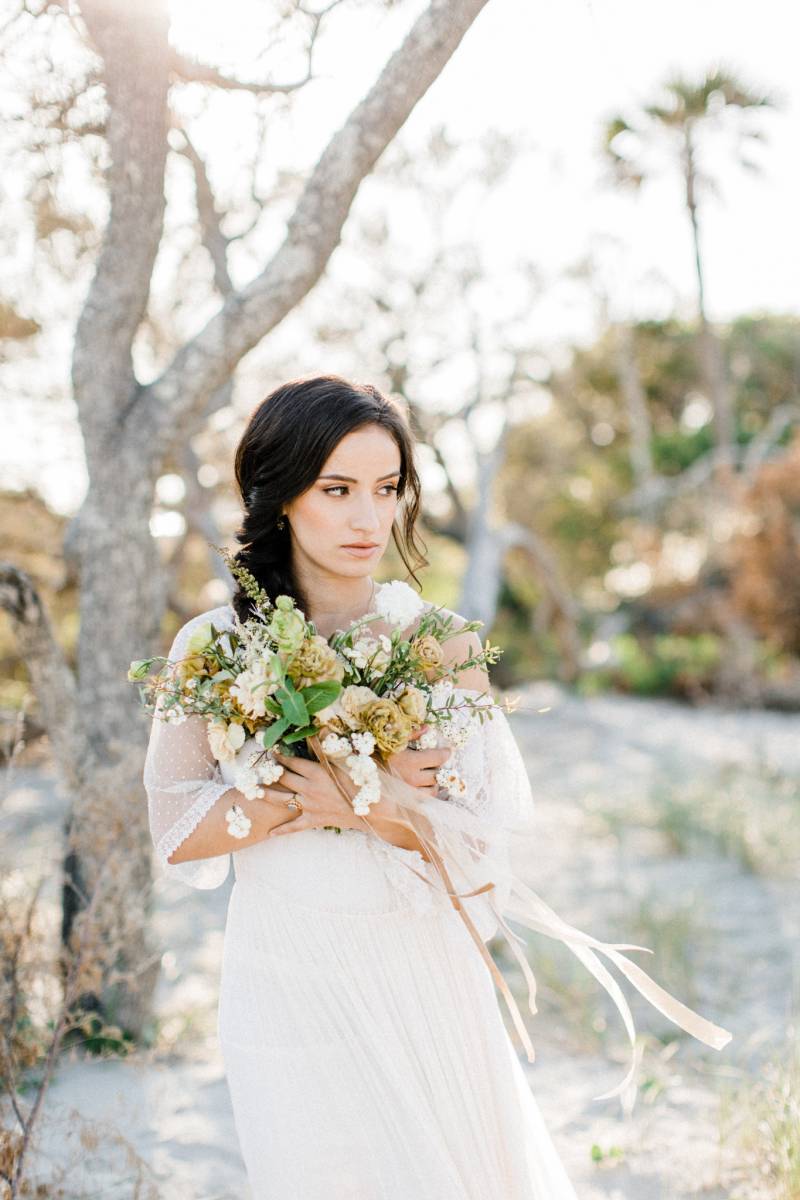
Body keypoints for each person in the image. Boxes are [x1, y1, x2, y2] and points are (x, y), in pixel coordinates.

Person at [141, 375, 583, 1197]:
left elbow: (477, 848)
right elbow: (175, 829)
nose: (366, 518)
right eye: (335, 488)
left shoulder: (440, 646)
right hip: (286, 974)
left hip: (419, 968)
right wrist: (333, 789)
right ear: (279, 494)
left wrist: (364, 808)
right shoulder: (210, 646)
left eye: (386, 489)